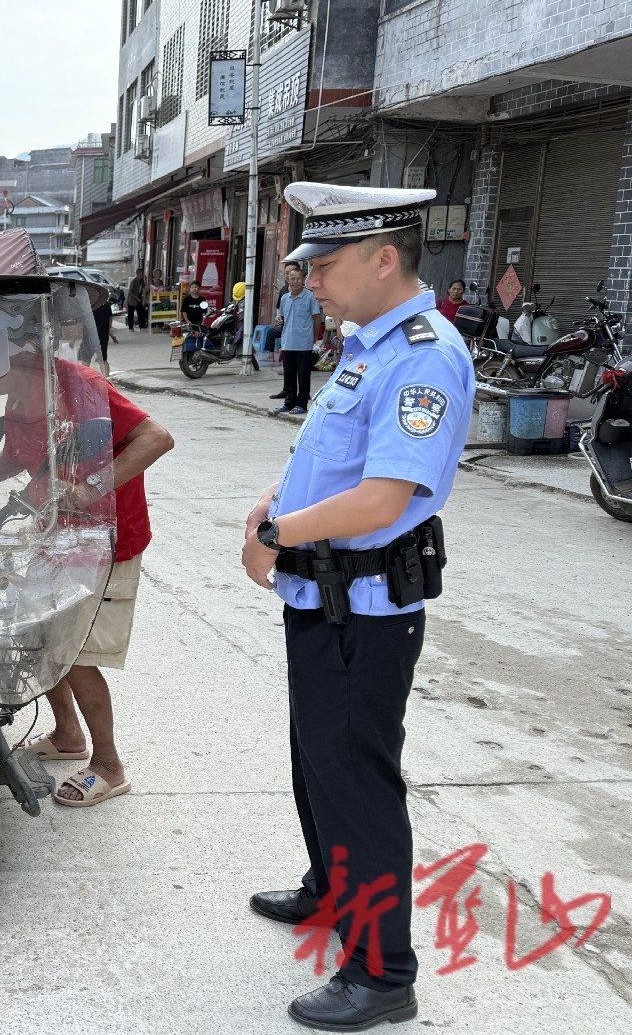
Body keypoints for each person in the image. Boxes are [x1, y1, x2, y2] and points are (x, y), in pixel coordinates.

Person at [240, 182, 475, 1031]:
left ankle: (381, 972)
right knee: (317, 761)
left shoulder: (423, 356)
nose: (310, 282)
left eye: (324, 266)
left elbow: (383, 498)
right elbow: (331, 459)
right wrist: (273, 505)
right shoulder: (370, 344)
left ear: (383, 260)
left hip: (365, 608)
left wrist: (276, 534)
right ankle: (332, 888)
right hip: (324, 593)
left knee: (357, 781)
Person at [0, 333, 174, 808]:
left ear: (22, 356)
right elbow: (14, 457)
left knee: (76, 654)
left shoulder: (81, 386)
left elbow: (156, 438)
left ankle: (109, 765)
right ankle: (68, 734)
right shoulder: (19, 396)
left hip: (106, 542)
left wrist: (93, 486)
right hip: (54, 536)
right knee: (40, 634)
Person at [275, 265, 325, 414]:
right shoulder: (284, 298)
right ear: (288, 279)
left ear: (303, 280)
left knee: (303, 375)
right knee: (289, 375)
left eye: (298, 279)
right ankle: (289, 402)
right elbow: (283, 318)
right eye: (292, 278)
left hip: (304, 343)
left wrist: (314, 338)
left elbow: (317, 319)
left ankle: (302, 404)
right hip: (288, 342)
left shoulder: (310, 297)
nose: (295, 281)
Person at [125, 267, 148, 331]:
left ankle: (142, 326)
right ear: (137, 274)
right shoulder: (133, 282)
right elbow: (130, 292)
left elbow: (145, 288)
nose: (142, 275)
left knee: (141, 313)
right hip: (132, 300)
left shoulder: (142, 281)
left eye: (142, 274)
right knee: (131, 314)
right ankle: (131, 327)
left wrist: (146, 280)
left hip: (139, 299)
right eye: (141, 274)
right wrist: (136, 298)